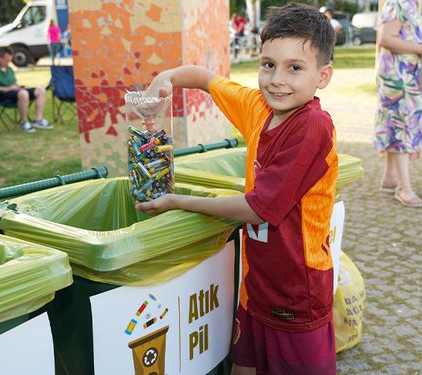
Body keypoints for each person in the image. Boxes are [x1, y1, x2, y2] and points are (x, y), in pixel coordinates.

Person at [137, 4, 338, 374]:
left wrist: (178, 201)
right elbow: (204, 78)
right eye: (268, 64)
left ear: (322, 76)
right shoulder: (258, 107)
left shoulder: (313, 127)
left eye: (295, 68)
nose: (277, 79)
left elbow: (260, 208)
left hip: (297, 291)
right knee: (243, 367)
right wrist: (163, 79)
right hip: (257, 284)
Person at [373, 0, 422, 207]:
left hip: (404, 76)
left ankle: (391, 178)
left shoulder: (410, 3)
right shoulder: (398, 3)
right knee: (403, 125)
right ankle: (403, 187)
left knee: (395, 122)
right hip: (398, 78)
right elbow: (385, 38)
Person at [0, 47, 52, 133]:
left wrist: (18, 86)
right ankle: (24, 122)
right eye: (6, 60)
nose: (8, 63)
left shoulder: (9, 69)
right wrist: (9, 88)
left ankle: (38, 120)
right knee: (23, 93)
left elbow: (15, 83)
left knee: (41, 90)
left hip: (15, 92)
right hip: (2, 95)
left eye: (9, 60)